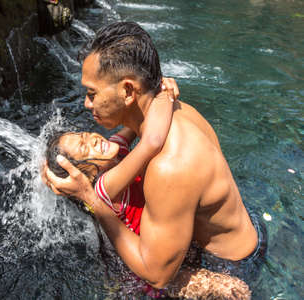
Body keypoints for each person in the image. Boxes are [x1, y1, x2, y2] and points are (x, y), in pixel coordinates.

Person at [43, 21, 267, 291]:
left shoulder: (169, 166)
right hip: (238, 233)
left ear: (127, 91)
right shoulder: (179, 109)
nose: (86, 103)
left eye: (92, 93)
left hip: (226, 269)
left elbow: (156, 275)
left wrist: (91, 200)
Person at [45, 129, 251, 299]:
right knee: (232, 290)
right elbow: (151, 141)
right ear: (84, 176)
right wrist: (161, 96)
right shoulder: (102, 189)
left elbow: (134, 127)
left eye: (85, 134)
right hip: (151, 269)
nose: (93, 138)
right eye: (84, 147)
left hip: (166, 240)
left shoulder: (117, 151)